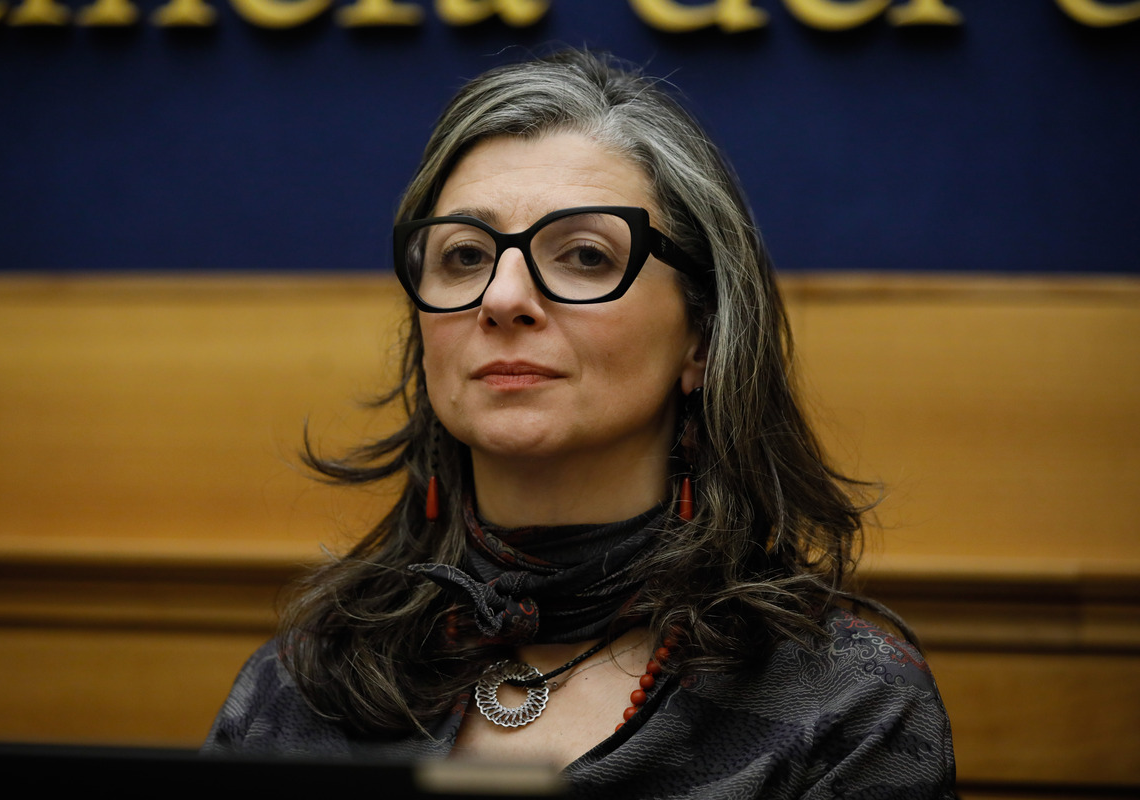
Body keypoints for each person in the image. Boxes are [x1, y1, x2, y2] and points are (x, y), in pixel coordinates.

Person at [204, 49, 956, 798]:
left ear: (700, 337)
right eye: (464, 255)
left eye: (586, 256)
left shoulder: (844, 703)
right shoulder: (301, 683)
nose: (502, 297)